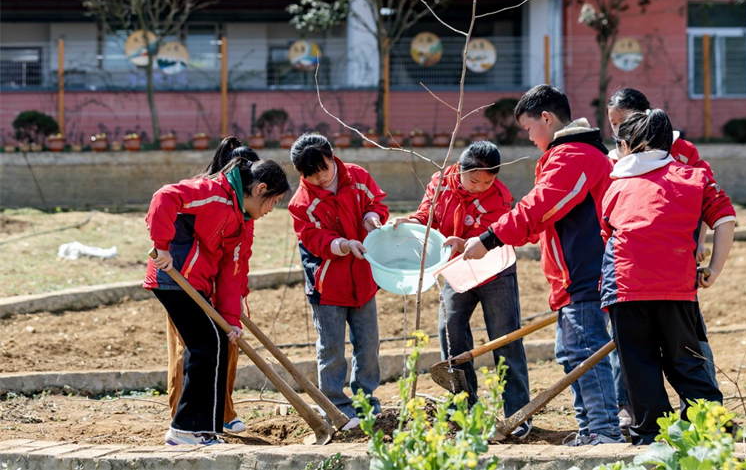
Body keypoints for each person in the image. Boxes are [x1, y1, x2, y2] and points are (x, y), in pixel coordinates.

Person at [462, 85, 624, 446]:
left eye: (529, 128)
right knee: (573, 353)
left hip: (585, 272)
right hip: (572, 276)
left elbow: (539, 207)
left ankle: (604, 430)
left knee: (584, 350)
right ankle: (590, 429)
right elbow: (544, 220)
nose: (530, 137)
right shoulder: (574, 154)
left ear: (547, 119)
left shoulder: (574, 155)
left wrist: (489, 238)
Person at [600, 108, 735, 445]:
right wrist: (714, 269)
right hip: (676, 287)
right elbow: (725, 218)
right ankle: (710, 432)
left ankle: (652, 437)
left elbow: (608, 235)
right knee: (686, 362)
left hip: (626, 288)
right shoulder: (693, 176)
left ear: (631, 145)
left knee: (639, 366)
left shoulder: (617, 186)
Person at [145, 155, 290, 446]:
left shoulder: (239, 217)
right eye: (274, 202)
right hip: (174, 278)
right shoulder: (213, 193)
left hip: (197, 284)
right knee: (204, 346)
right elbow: (164, 197)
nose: (272, 209)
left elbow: (229, 275)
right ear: (260, 189)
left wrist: (232, 321)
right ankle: (183, 430)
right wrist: (161, 245)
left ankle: (204, 429)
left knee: (218, 341)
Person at [391, 142, 532, 439]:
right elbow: (426, 217)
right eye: (474, 180)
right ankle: (464, 408)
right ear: (460, 170)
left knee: (505, 338)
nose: (480, 187)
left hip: (495, 271)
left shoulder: (500, 197)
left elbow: (488, 239)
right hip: (457, 272)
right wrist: (410, 223)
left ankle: (518, 413)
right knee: (450, 331)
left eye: (488, 181)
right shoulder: (440, 183)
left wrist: (462, 241)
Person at [287, 133, 389, 430]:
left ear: (332, 157)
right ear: (301, 174)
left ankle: (366, 401)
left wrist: (372, 218)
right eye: (312, 175)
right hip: (328, 284)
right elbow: (314, 239)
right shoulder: (301, 204)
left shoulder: (357, 177)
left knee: (368, 345)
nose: (320, 178)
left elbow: (377, 203)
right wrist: (344, 245)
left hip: (364, 280)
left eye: (324, 169)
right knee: (331, 349)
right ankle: (335, 405)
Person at [166, 137, 259, 435]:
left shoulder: (246, 206)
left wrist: (236, 293)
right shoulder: (206, 195)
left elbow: (239, 253)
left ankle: (221, 411)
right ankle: (182, 416)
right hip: (190, 285)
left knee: (227, 349)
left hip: (223, 288)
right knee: (191, 350)